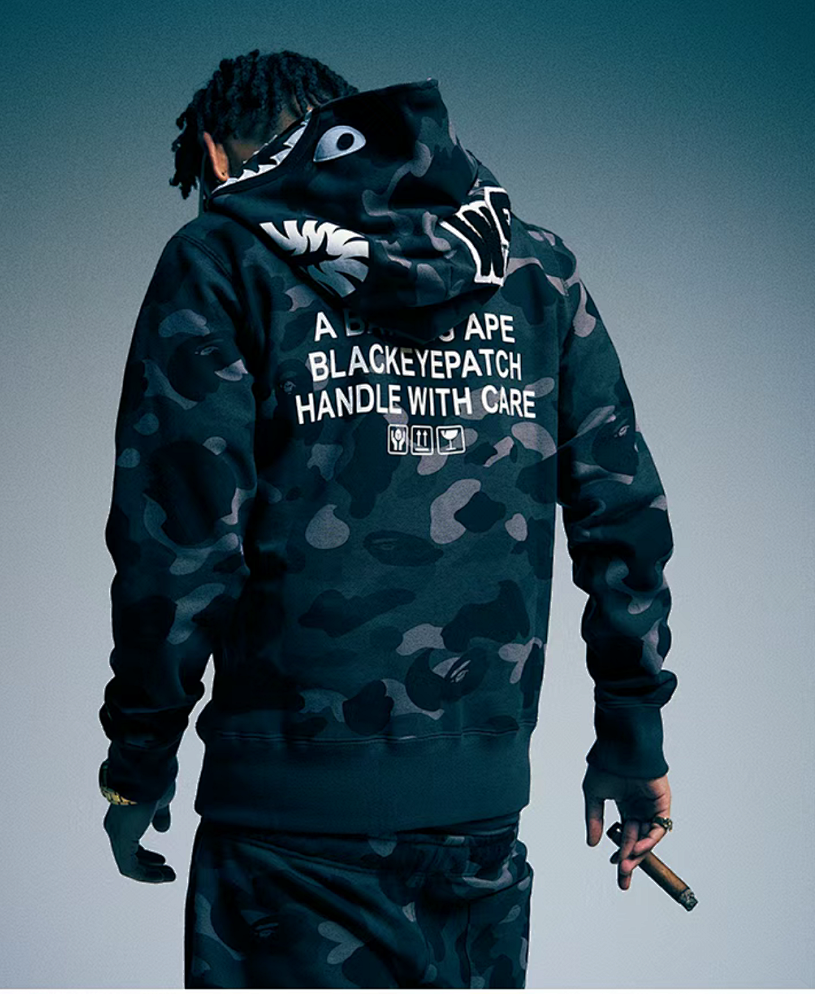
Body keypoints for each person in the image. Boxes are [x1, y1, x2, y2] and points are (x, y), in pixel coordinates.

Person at [98, 50, 676, 988]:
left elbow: (180, 544)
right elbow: (623, 512)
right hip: (478, 824)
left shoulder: (221, 259)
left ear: (212, 155)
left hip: (283, 828)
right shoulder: (532, 267)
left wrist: (137, 761)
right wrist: (632, 731)